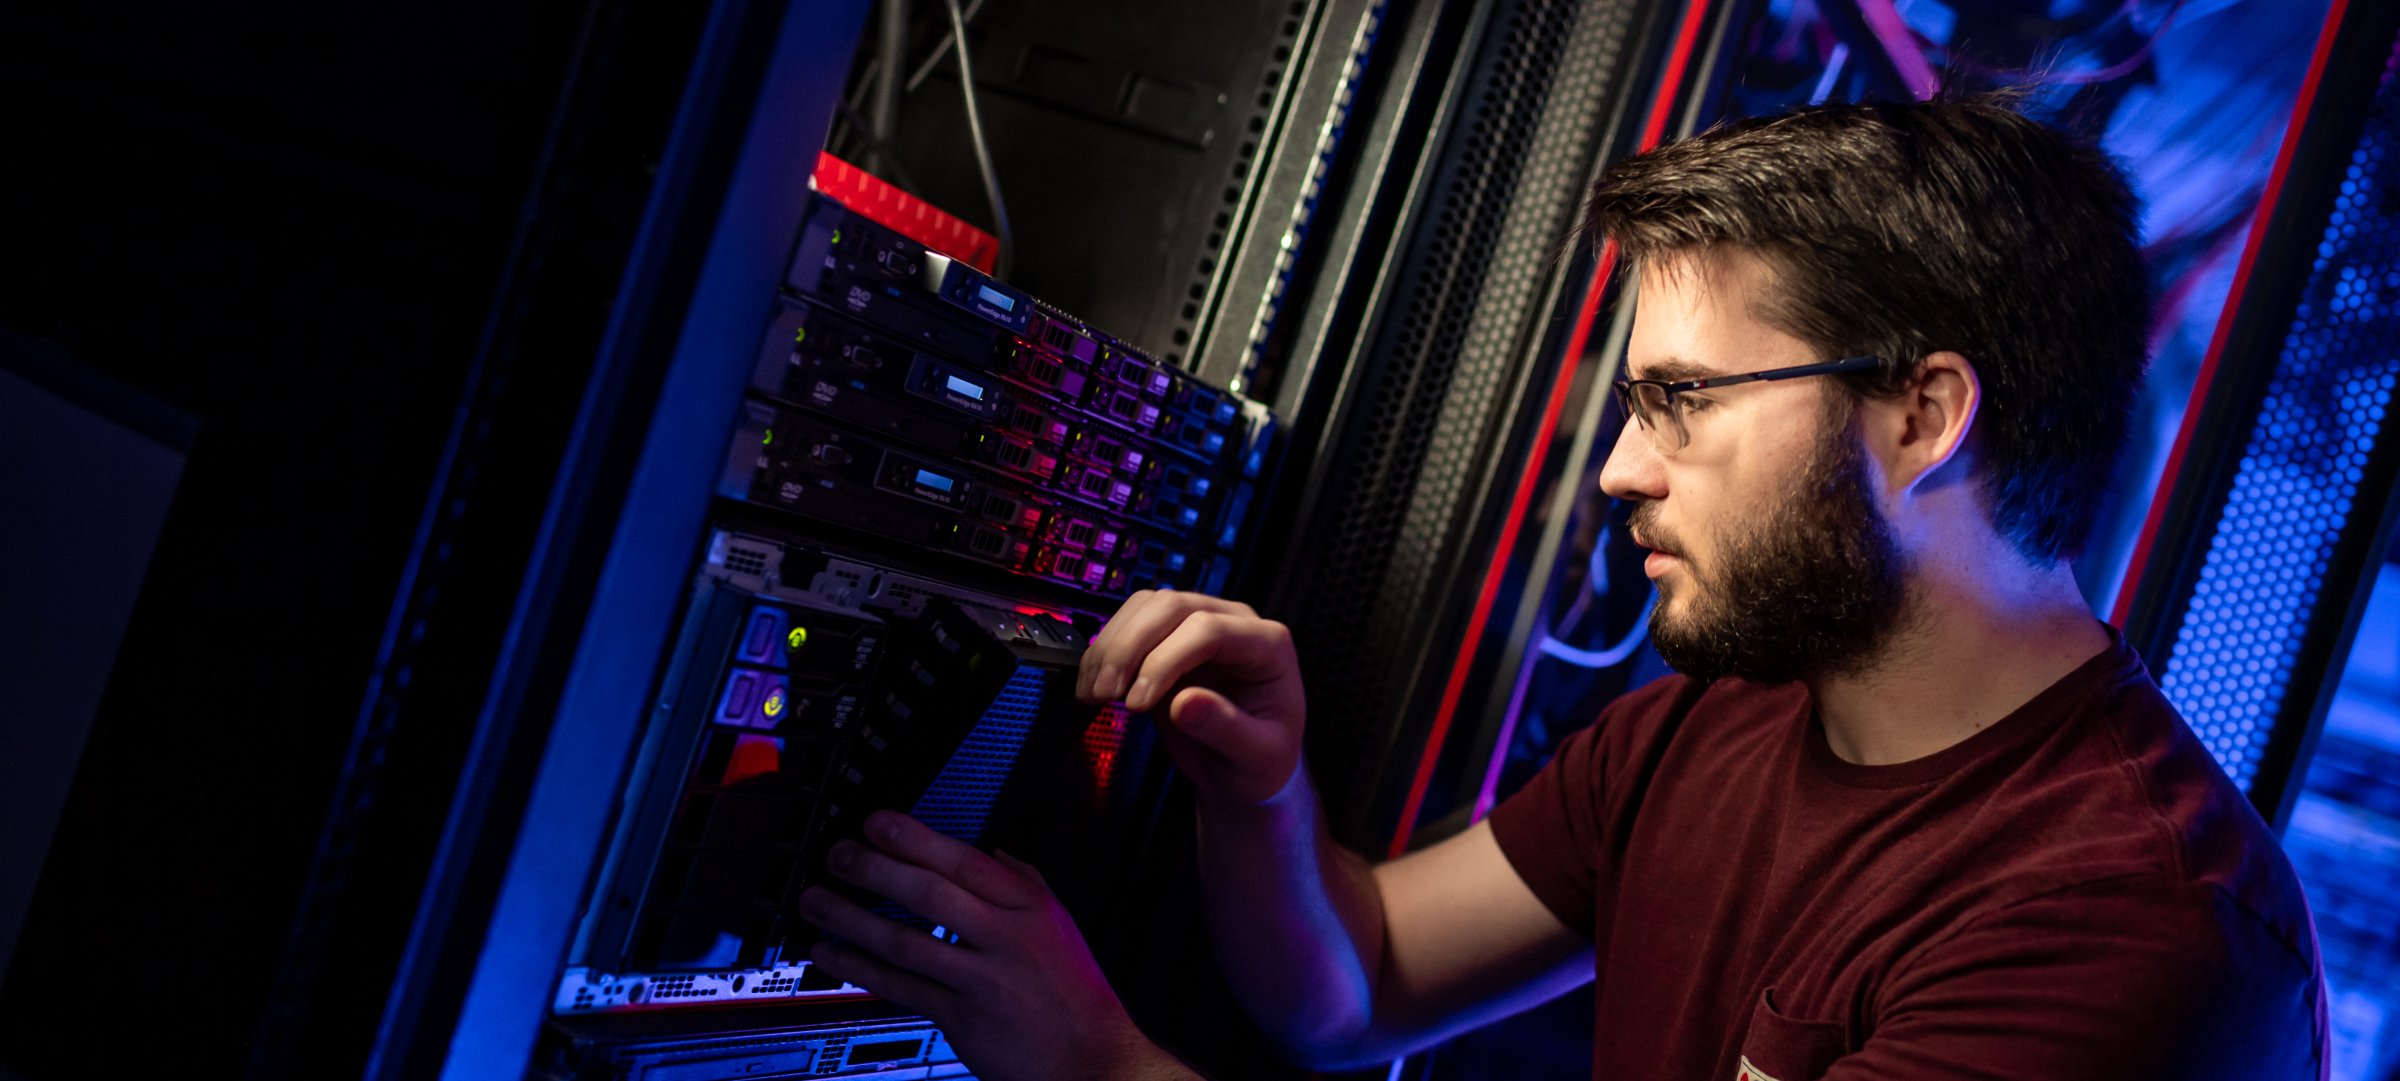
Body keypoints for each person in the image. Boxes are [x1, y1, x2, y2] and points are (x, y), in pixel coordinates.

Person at [793, 95, 2331, 1081]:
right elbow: (1363, 983)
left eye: (1681, 402)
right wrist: (1256, 787)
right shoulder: (1719, 729)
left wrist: (1094, 1071)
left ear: (1923, 416)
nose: (1620, 469)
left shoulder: (2134, 933)